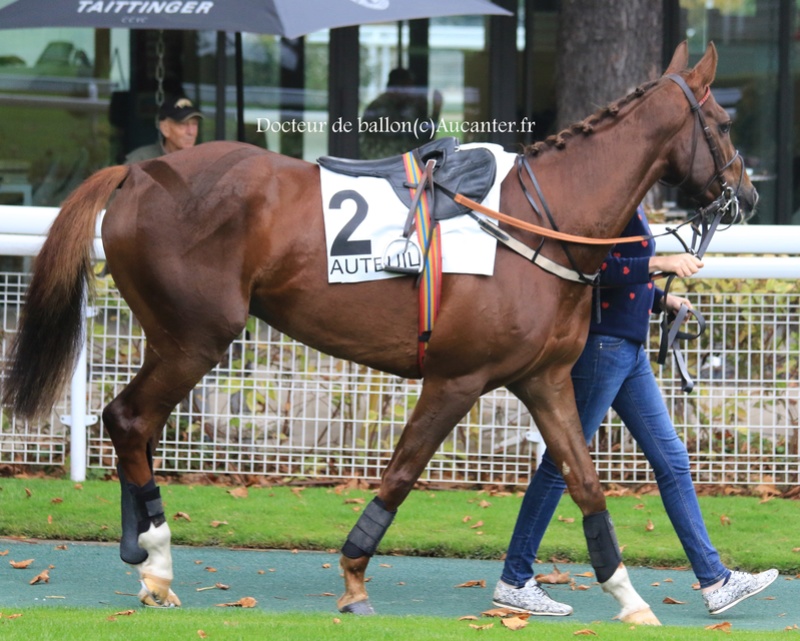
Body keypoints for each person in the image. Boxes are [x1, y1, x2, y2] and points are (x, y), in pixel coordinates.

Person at [493, 205, 778, 617]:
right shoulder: (611, 198)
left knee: (672, 460)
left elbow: (625, 275)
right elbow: (596, 269)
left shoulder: (630, 199)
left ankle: (716, 581)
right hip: (603, 349)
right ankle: (514, 580)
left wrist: (662, 300)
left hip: (627, 350)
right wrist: (660, 263)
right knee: (563, 463)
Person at [360, 67, 442, 159]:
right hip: (381, 163)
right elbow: (411, 145)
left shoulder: (403, 108)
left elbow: (423, 141)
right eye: (408, 87)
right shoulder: (381, 108)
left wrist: (434, 112)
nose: (411, 92)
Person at [125, 95, 203, 164]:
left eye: (194, 124)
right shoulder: (140, 161)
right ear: (165, 128)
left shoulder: (202, 162)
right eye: (182, 124)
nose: (191, 132)